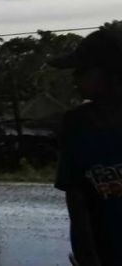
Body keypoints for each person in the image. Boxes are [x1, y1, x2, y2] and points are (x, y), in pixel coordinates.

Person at [48, 21, 122, 266]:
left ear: (109, 73)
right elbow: (77, 201)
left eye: (81, 70)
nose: (74, 77)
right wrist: (87, 257)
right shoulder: (77, 124)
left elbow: (76, 199)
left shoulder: (79, 124)